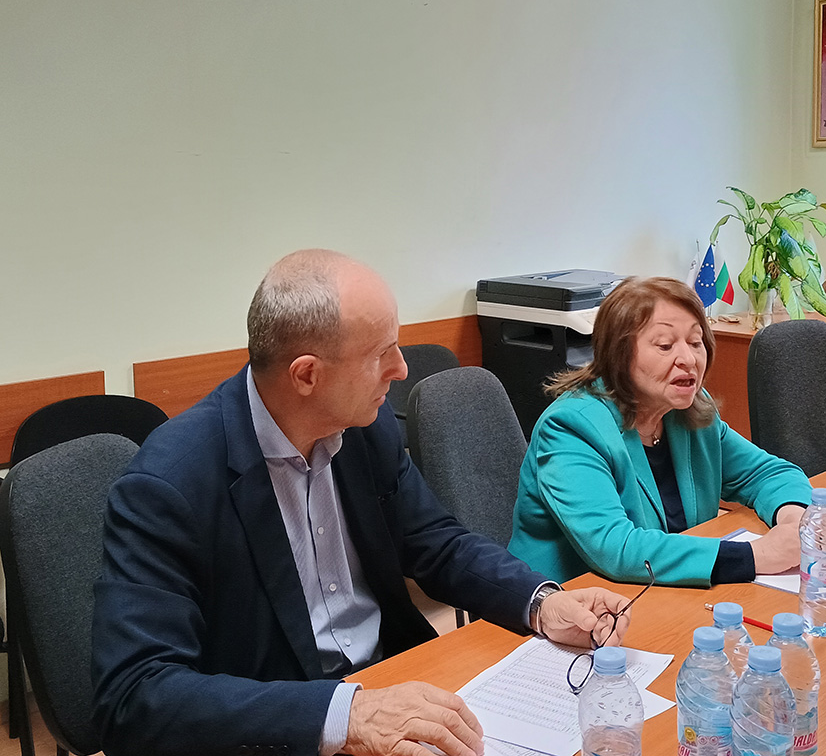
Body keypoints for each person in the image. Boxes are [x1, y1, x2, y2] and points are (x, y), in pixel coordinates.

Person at [92, 249, 632, 756]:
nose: (401, 370)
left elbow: (436, 544)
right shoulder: (171, 483)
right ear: (307, 374)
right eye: (380, 354)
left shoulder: (362, 429)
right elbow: (133, 695)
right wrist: (345, 715)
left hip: (394, 682)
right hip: (285, 725)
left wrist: (540, 603)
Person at [508, 276, 812, 588]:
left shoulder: (690, 410)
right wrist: (756, 556)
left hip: (668, 590)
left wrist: (794, 521)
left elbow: (767, 474)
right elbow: (615, 547)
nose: (689, 359)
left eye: (695, 342)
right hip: (575, 602)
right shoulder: (571, 427)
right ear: (619, 354)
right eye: (665, 345)